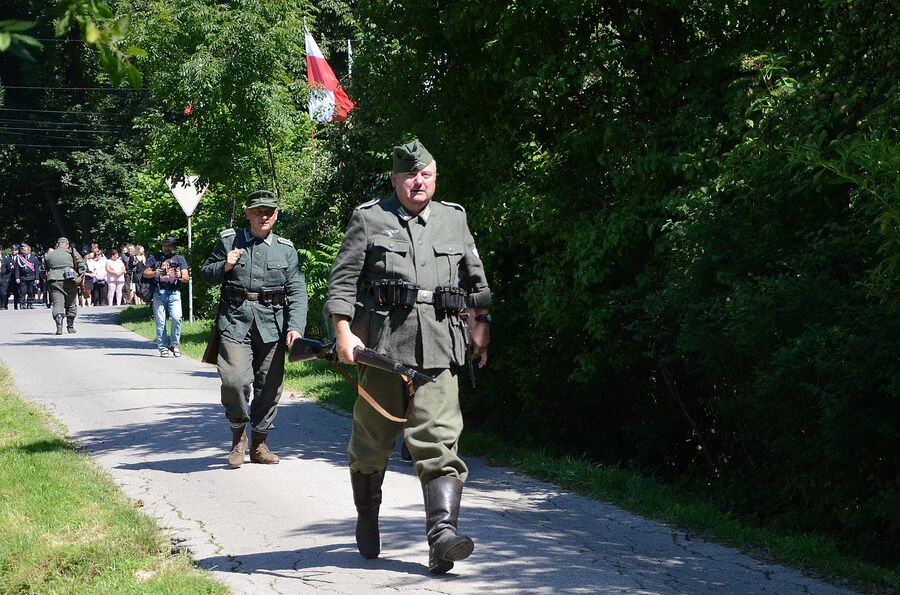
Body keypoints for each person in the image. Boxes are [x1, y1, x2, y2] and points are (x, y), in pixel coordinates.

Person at [325, 139, 492, 574]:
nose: (419, 182)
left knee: (439, 441)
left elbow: (476, 281)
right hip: (382, 351)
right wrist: (343, 332)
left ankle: (442, 538)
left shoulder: (454, 219)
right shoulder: (369, 218)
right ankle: (367, 515)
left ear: (434, 178)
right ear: (396, 179)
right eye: (410, 176)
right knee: (370, 445)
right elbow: (342, 282)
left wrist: (480, 324)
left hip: (440, 348)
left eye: (427, 175)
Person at [201, 190, 308, 468]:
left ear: (276, 215)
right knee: (235, 380)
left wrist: (295, 327)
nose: (264, 216)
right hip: (235, 321)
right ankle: (238, 436)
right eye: (258, 211)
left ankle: (260, 442)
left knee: (269, 387)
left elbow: (297, 290)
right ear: (248, 213)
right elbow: (205, 274)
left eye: (269, 211)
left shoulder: (286, 249)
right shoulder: (229, 240)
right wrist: (224, 265)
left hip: (272, 325)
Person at [144, 237, 189, 357]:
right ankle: (162, 347)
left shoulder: (180, 259)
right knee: (160, 321)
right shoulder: (155, 258)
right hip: (159, 293)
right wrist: (155, 273)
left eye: (169, 246)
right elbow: (145, 273)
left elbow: (186, 277)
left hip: (174, 293)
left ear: (174, 247)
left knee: (177, 318)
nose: (166, 248)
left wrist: (179, 275)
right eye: (164, 246)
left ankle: (174, 344)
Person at [44, 237, 86, 334]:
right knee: (71, 303)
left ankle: (59, 326)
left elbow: (45, 268)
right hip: (70, 279)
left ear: (58, 244)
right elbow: (82, 265)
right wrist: (81, 276)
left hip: (54, 280)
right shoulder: (72, 252)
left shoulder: (50, 254)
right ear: (67, 245)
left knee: (58, 303)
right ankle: (70, 327)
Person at [15, 243, 42, 309]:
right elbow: (17, 269)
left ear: (29, 251)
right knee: (22, 291)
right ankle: (22, 304)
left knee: (31, 291)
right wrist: (17, 277)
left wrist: (37, 278)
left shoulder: (34, 258)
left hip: (31, 277)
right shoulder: (20, 258)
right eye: (23, 250)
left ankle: (30, 303)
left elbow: (36, 270)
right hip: (23, 278)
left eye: (25, 250)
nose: (24, 251)